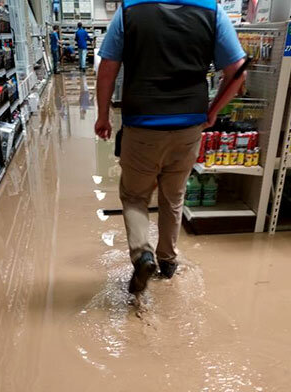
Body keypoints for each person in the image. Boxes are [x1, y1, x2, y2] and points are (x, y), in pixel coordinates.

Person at [95, 1, 247, 294]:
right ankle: (168, 261)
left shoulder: (129, 10)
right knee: (173, 195)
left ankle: (143, 255)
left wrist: (103, 115)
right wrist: (213, 110)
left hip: (142, 123)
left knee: (135, 195)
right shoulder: (212, 11)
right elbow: (238, 71)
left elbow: (107, 67)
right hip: (189, 123)